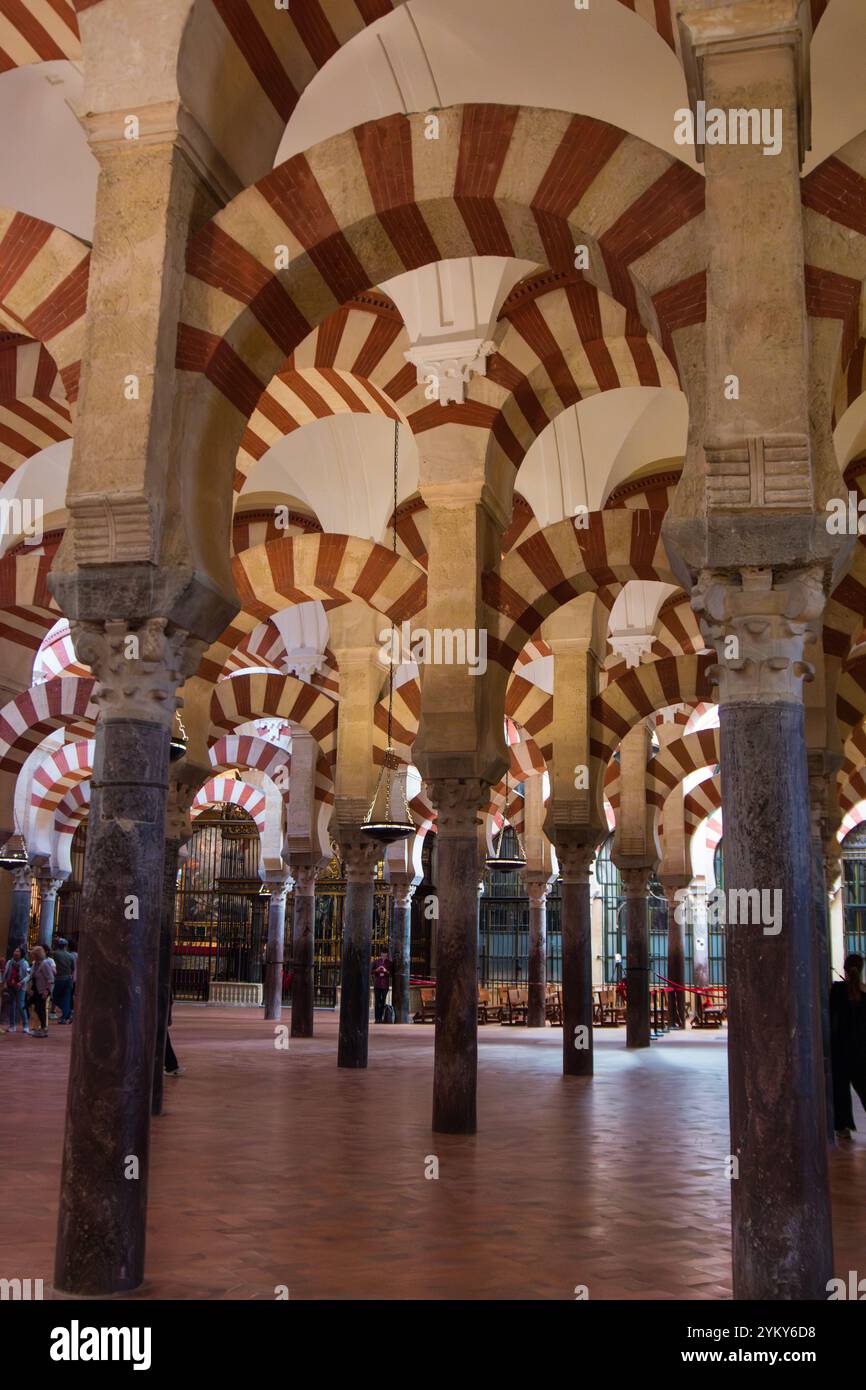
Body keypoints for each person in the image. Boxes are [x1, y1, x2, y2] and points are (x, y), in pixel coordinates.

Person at [830, 953, 866, 1140]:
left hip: (840, 1050)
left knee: (841, 1091)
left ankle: (843, 1127)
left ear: (844, 969)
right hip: (861, 1050)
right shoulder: (864, 993)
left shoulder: (837, 990)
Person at [2, 948, 31, 1034]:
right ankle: (12, 1026)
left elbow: (28, 976)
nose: (15, 952)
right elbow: (6, 973)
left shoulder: (25, 963)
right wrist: (4, 982)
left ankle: (26, 1026)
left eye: (18, 951)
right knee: (12, 1006)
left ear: (21, 953)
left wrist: (21, 982)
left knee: (21, 1005)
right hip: (11, 986)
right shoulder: (9, 962)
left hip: (20, 987)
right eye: (15, 951)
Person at [27, 946, 54, 1037]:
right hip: (36, 990)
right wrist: (30, 988)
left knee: (40, 1009)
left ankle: (43, 1029)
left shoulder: (45, 964)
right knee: (34, 1007)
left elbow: (50, 979)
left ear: (37, 954)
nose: (31, 955)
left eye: (33, 954)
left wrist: (47, 991)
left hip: (43, 990)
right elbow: (32, 976)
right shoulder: (35, 964)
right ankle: (40, 1028)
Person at [51, 938, 75, 1024]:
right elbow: (73, 968)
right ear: (65, 946)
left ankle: (67, 1012)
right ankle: (66, 1016)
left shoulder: (55, 954)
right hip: (68, 979)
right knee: (66, 998)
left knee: (55, 998)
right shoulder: (70, 956)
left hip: (59, 979)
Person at [371, 951, 392, 1023]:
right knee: (377, 1002)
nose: (384, 957)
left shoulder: (389, 963)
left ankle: (381, 1017)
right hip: (377, 984)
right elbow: (371, 971)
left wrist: (386, 970)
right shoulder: (376, 962)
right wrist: (376, 970)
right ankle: (377, 1018)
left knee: (383, 1002)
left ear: (387, 955)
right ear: (381, 954)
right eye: (383, 955)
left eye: (385, 955)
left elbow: (391, 973)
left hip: (385, 985)